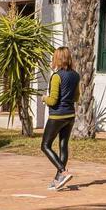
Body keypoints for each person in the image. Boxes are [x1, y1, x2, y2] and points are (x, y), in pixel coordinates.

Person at [42, 46, 79, 191]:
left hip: (57, 116)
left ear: (57, 58)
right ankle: (58, 180)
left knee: (45, 145)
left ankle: (63, 172)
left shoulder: (56, 76)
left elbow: (53, 101)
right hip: (70, 115)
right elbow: (76, 97)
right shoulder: (76, 75)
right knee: (63, 145)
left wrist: (44, 98)